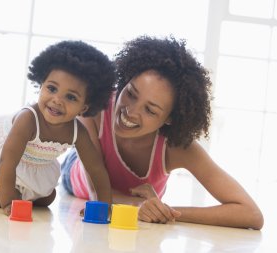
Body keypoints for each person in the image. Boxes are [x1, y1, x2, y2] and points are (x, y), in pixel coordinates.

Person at [61, 35, 264, 230]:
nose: (130, 112)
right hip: (76, 174)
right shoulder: (95, 108)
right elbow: (98, 196)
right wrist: (137, 205)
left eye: (150, 110)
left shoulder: (176, 147)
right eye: (131, 93)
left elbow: (251, 214)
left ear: (170, 118)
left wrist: (165, 212)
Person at [0, 40, 115, 216]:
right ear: (41, 84)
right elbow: (8, 161)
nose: (57, 100)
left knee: (47, 198)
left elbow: (95, 168)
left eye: (71, 97)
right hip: (0, 160)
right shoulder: (28, 119)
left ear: (84, 108)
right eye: (52, 88)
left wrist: (104, 206)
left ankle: (18, 195)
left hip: (33, 166)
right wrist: (8, 204)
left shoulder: (77, 131)